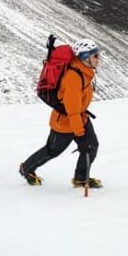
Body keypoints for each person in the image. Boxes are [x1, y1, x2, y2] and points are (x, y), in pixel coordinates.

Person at [19, 39, 102, 189]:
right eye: (95, 55)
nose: (98, 58)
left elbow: (77, 109)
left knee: (92, 146)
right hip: (64, 122)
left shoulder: (86, 72)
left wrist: (82, 134)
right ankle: (27, 168)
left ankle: (81, 178)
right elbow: (72, 110)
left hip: (79, 118)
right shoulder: (73, 77)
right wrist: (80, 135)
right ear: (85, 57)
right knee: (52, 150)